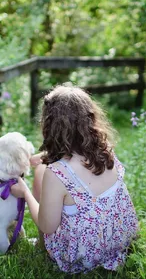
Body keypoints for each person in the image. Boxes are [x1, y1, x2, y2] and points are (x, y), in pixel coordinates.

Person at [11, 85, 138, 274]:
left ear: (50, 124)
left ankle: (42, 244)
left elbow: (48, 226)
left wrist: (26, 193)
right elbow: (78, 161)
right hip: (120, 240)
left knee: (40, 172)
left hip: (83, 255)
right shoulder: (106, 151)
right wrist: (47, 155)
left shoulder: (56, 173)